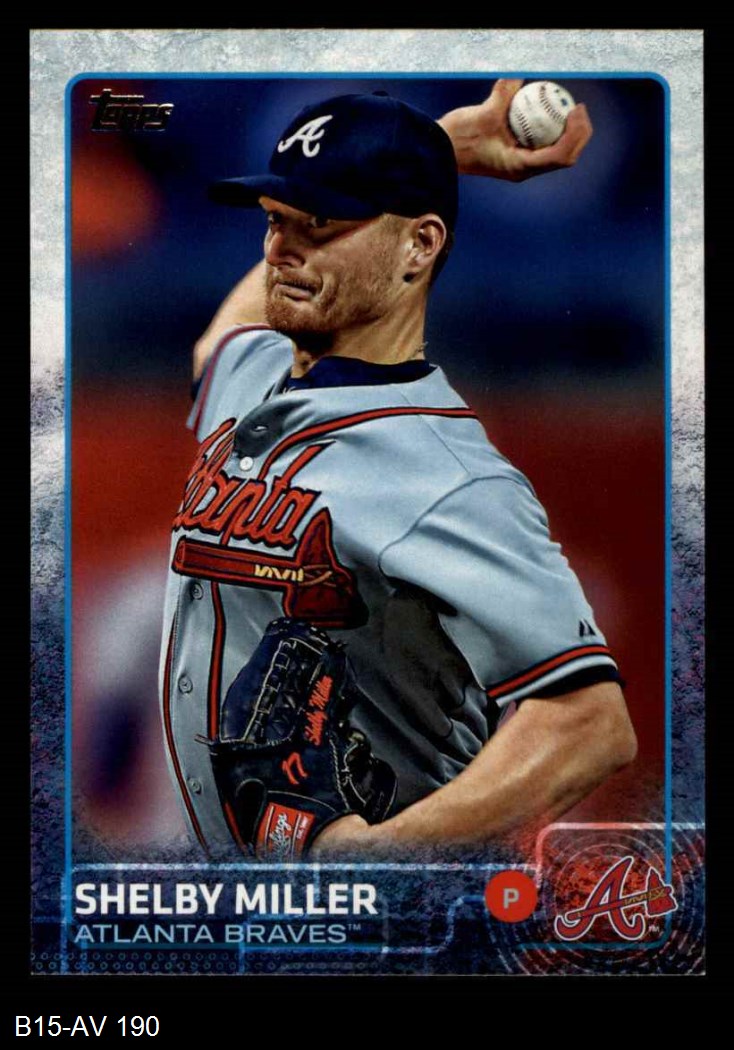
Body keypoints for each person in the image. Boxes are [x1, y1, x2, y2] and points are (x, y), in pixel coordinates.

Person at [161, 80, 637, 861]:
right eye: (275, 219)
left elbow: (591, 725)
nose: (280, 251)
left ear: (420, 245)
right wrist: (444, 148)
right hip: (244, 901)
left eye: (319, 225)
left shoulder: (453, 479)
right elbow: (220, 340)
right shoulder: (257, 372)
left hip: (371, 916)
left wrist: (380, 859)